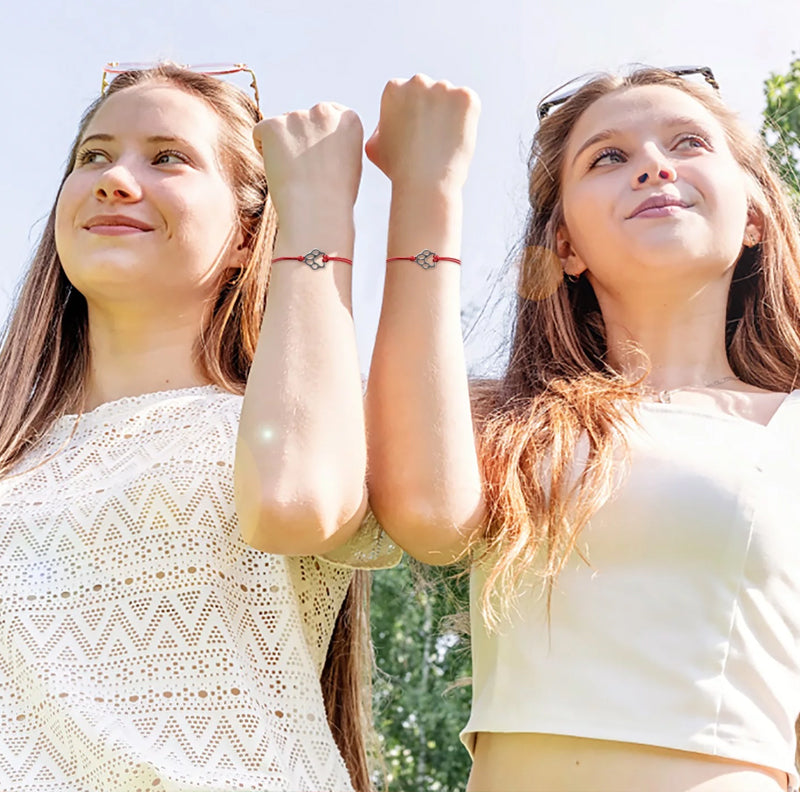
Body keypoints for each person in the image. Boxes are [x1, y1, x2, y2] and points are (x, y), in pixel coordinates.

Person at [365, 68, 800, 791]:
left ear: (753, 216)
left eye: (688, 143)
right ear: (564, 245)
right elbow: (425, 516)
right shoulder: (502, 424)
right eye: (609, 157)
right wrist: (426, 186)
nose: (654, 166)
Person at [0, 63, 397, 792]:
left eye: (168, 158)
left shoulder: (294, 428)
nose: (115, 180)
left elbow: (299, 501)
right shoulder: (11, 453)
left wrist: (315, 215)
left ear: (248, 235)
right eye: (94, 155)